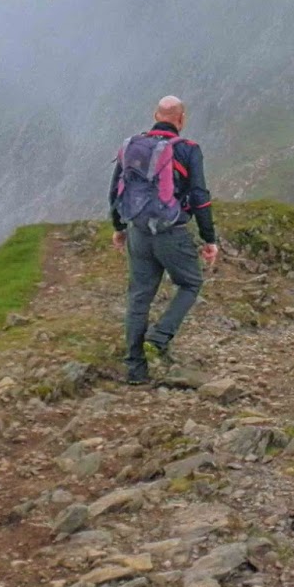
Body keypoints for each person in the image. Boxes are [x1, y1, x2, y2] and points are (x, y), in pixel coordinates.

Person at [108, 95, 220, 385]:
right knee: (190, 283)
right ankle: (158, 338)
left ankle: (135, 369)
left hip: (138, 232)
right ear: (181, 120)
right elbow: (199, 196)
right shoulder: (187, 150)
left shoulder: (132, 146)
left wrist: (119, 227)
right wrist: (210, 239)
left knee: (139, 295)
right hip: (172, 232)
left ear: (155, 114)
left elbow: (115, 190)